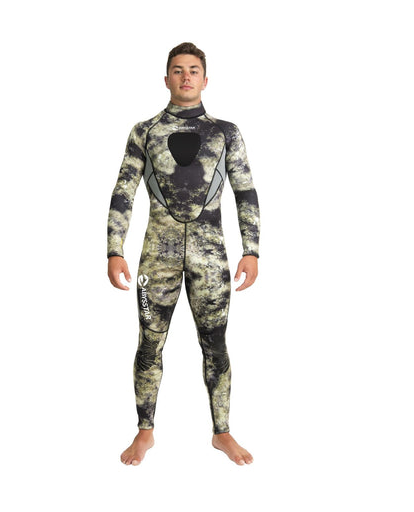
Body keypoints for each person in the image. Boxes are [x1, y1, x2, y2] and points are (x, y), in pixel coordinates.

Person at [107, 42, 260, 466]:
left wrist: (252, 250)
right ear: (166, 79)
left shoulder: (225, 132)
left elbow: (245, 191)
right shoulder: (145, 131)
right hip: (156, 259)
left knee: (216, 344)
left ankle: (222, 432)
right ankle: (145, 432)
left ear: (205, 80)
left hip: (211, 259)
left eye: (193, 70)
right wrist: (114, 250)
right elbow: (124, 191)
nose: (186, 76)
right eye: (178, 70)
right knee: (149, 343)